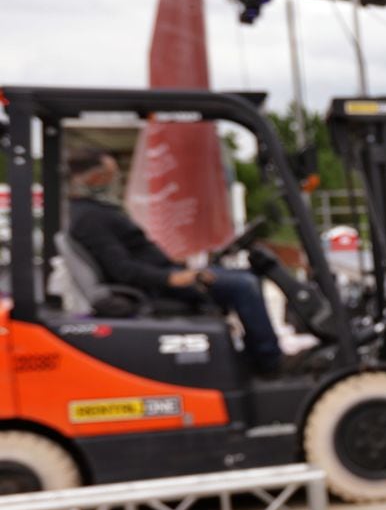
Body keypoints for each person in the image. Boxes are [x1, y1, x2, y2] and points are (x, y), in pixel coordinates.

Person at [65, 148, 283, 375]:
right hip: (153, 288)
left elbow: (133, 255)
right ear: (93, 178)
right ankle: (270, 363)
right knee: (244, 285)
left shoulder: (94, 212)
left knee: (247, 276)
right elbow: (122, 269)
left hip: (161, 276)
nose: (116, 180)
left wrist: (175, 267)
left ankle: (250, 358)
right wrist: (172, 277)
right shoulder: (90, 218)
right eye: (110, 174)